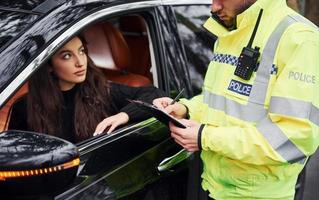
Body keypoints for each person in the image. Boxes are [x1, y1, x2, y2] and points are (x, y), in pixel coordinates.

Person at [153, 0, 319, 199]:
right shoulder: (230, 32)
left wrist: (205, 137)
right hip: (213, 187)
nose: (214, 7)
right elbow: (219, 102)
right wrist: (185, 108)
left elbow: (292, 138)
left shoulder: (300, 39)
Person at [8, 36, 165, 143]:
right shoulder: (25, 106)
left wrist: (125, 115)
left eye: (81, 51)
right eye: (67, 56)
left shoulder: (100, 91)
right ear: (49, 66)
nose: (80, 62)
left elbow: (155, 95)